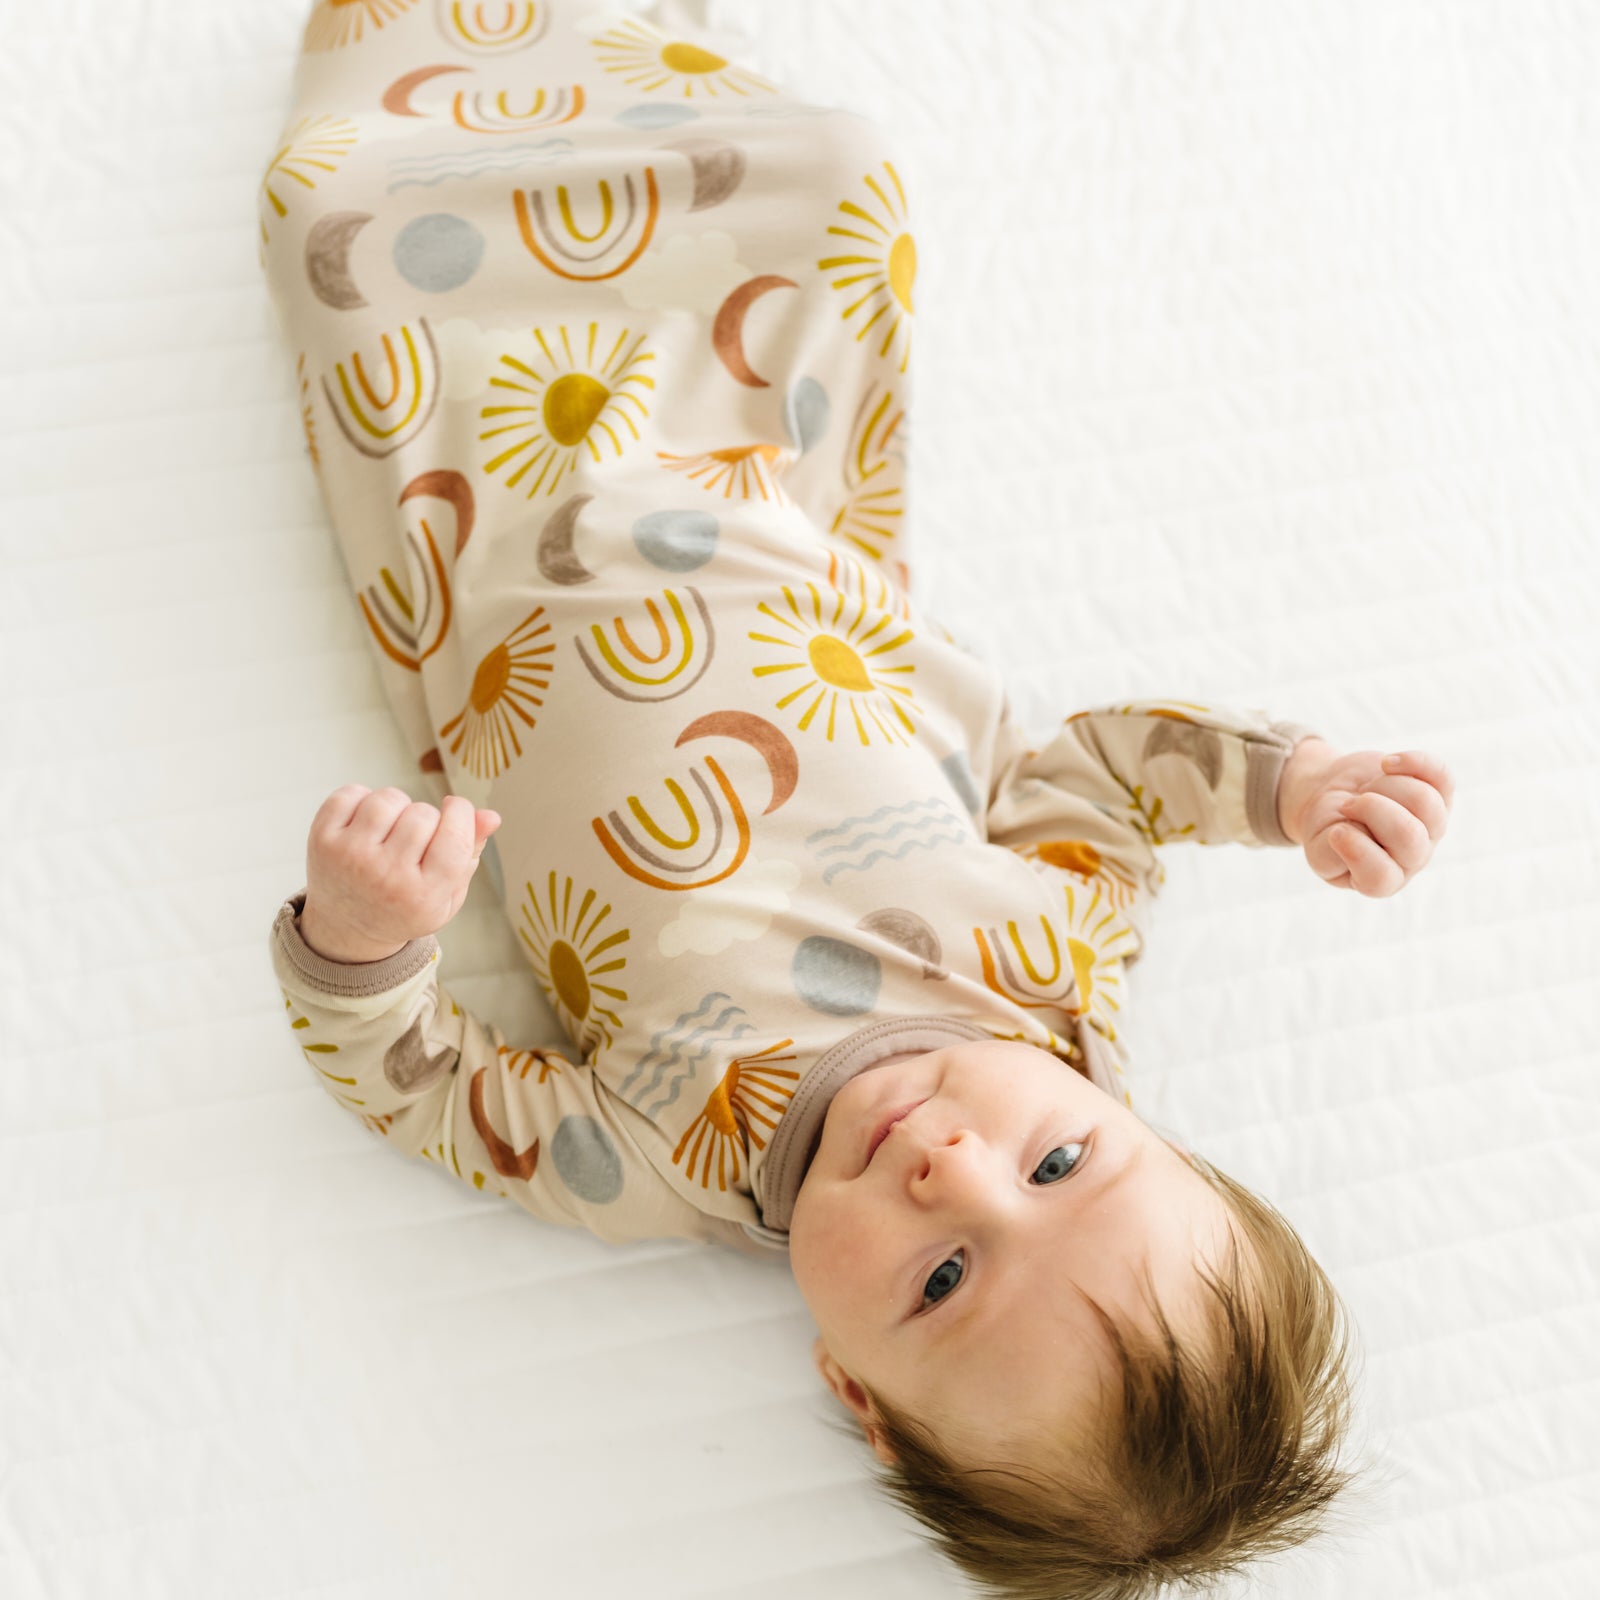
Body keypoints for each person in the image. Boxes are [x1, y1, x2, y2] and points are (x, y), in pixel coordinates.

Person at [260, 3, 1453, 1592]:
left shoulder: (668, 1159)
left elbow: (425, 1092)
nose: (950, 1166)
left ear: (856, 1390)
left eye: (943, 1279)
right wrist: (1288, 786)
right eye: (1058, 1166)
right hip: (756, 464)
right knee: (840, 178)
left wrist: (367, 939)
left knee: (337, 221)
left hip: (491, 529)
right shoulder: (1059, 961)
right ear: (1138, 1124)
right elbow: (1104, 769)